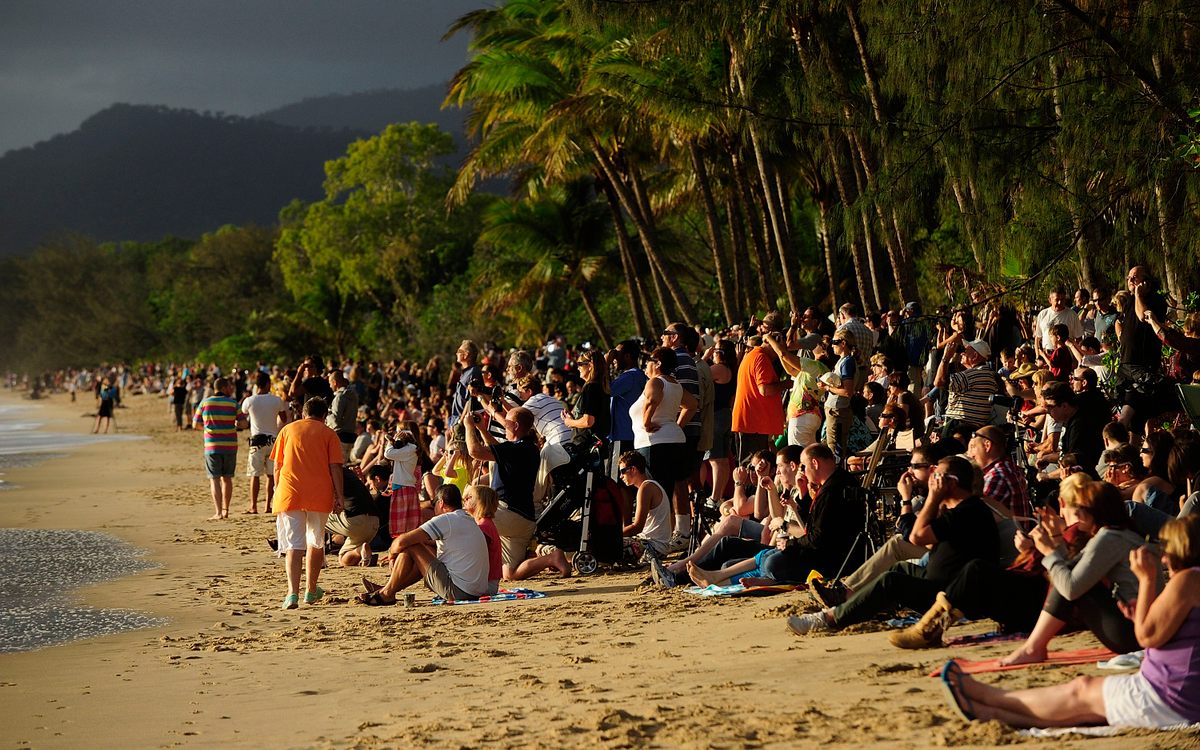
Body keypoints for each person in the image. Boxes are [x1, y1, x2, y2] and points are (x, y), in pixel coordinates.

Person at [941, 515, 1200, 729]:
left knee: (1080, 691)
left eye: (1166, 548)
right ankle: (988, 712)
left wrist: (1146, 579)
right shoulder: (1192, 581)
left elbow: (1146, 637)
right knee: (1081, 712)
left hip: (1166, 696)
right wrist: (1141, 613)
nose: (1163, 557)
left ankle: (986, 696)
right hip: (1179, 694)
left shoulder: (1188, 580)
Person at [787, 455, 999, 636]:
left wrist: (931, 498)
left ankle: (828, 619)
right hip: (941, 581)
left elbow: (915, 536)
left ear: (951, 483)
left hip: (951, 595)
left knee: (891, 580)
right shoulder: (962, 509)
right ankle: (852, 604)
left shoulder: (967, 512)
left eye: (937, 476)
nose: (933, 481)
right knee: (899, 569)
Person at [463, 406, 571, 579]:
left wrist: (468, 426)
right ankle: (551, 558)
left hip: (505, 513)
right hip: (523, 520)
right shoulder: (526, 448)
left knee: (463, 520)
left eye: (506, 422)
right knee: (510, 574)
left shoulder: (518, 449)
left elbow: (476, 452)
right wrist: (482, 429)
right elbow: (497, 451)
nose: (504, 424)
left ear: (515, 426)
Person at [270, 397, 344, 609]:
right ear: (323, 415)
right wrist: (339, 496)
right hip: (319, 494)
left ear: (304, 413)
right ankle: (310, 590)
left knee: (294, 545)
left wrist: (277, 490)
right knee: (315, 541)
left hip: (290, 493)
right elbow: (335, 468)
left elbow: (277, 466)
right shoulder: (329, 433)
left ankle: (292, 594)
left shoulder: (287, 430)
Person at [358, 485, 490, 605]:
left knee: (412, 546)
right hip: (476, 590)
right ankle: (388, 588)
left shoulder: (447, 519)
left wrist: (391, 556)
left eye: (434, 505)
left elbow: (402, 541)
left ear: (441, 503)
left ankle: (387, 593)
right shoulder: (467, 519)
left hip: (458, 591)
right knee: (424, 549)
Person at [731, 314, 788, 460]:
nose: (779, 354)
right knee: (752, 468)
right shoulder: (761, 357)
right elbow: (765, 389)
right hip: (753, 423)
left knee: (753, 467)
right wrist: (787, 384)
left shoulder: (754, 355)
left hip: (752, 422)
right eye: (779, 349)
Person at [239, 371, 289, 514]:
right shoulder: (276, 400)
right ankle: (268, 506)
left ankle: (253, 506)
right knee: (271, 475)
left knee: (254, 474)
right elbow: (284, 418)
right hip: (273, 440)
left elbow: (243, 415)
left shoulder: (249, 401)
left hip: (256, 441)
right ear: (268, 384)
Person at [193, 376, 239, 520]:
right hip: (230, 446)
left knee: (214, 479)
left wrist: (208, 429)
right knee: (227, 479)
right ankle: (226, 510)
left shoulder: (205, 403)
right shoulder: (233, 403)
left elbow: (196, 424)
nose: (231, 389)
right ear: (224, 388)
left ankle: (218, 512)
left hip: (212, 446)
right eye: (230, 386)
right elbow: (243, 424)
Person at [934, 338, 997, 440]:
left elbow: (939, 382)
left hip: (959, 427)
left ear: (975, 355)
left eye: (966, 350)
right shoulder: (988, 374)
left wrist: (946, 357)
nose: (962, 353)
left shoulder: (972, 375)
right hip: (972, 429)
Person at [617, 450, 671, 562]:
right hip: (657, 547)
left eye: (623, 471)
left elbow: (637, 527)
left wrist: (613, 535)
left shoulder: (646, 488)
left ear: (633, 469)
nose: (621, 476)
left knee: (606, 544)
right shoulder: (650, 485)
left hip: (653, 547)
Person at [325, 466, 379, 567]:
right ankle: (360, 550)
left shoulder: (327, 471)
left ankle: (320, 558)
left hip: (355, 520)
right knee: (343, 560)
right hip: (374, 522)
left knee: (315, 519)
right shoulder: (345, 472)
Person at [326, 369, 359, 462]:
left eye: (330, 383)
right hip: (350, 435)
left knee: (337, 465)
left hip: (340, 437)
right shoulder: (353, 395)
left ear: (335, 382)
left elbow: (336, 421)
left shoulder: (339, 397)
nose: (330, 385)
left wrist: (327, 413)